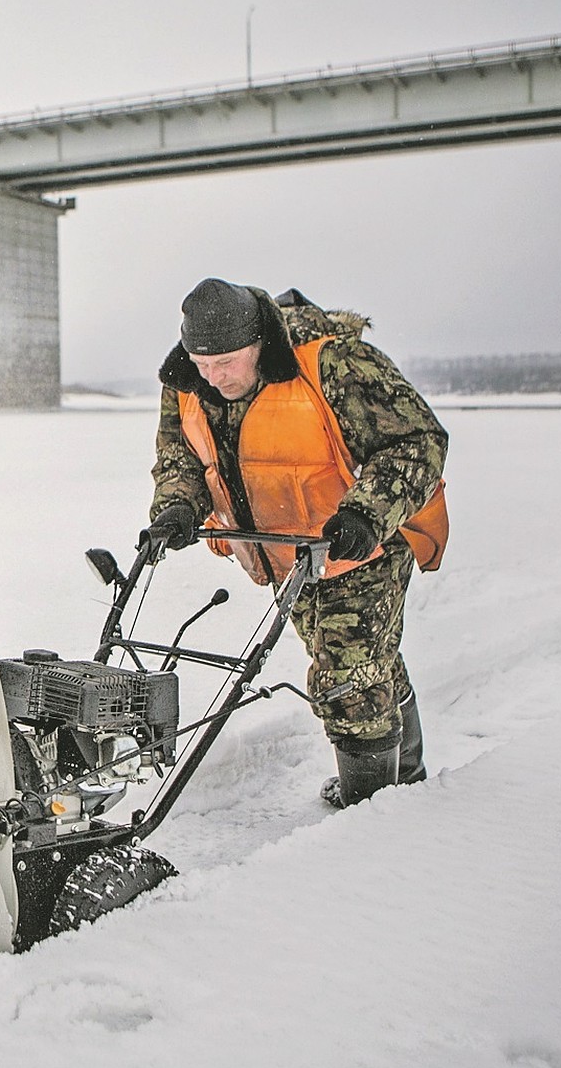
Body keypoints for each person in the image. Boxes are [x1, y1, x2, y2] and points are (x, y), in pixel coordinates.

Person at [147, 278, 449, 806]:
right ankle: (408, 780)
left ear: (259, 343)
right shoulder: (188, 383)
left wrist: (364, 513)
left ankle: (372, 810)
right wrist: (177, 506)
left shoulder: (333, 366)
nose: (215, 379)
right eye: (204, 365)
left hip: (362, 546)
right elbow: (181, 457)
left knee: (347, 679)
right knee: (368, 661)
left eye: (228, 363)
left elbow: (418, 442)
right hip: (286, 554)